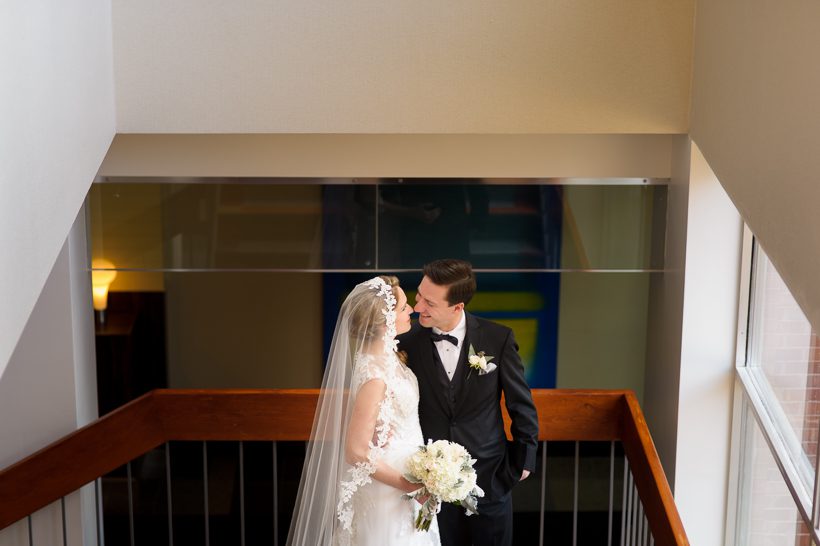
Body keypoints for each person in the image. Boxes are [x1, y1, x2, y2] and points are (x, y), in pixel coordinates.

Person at [287, 275, 441, 546]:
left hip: (407, 472)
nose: (411, 311)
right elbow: (356, 450)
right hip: (392, 485)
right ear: (384, 324)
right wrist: (407, 484)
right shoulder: (375, 375)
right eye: (403, 307)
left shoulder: (385, 359)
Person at [397, 259, 539, 546]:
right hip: (429, 485)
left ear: (457, 307)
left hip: (490, 478)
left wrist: (522, 463)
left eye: (430, 302)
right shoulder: (406, 342)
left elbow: (520, 404)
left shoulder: (498, 338)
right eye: (419, 295)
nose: (418, 306)